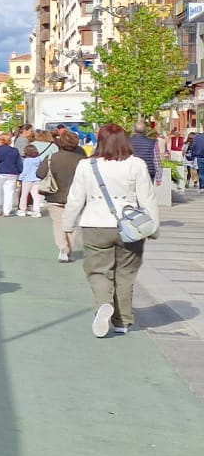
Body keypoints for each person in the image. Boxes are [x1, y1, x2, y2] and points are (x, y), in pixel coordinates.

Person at [64, 125, 160, 337]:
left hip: (95, 223)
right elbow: (148, 199)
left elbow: (75, 198)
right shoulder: (136, 164)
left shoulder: (86, 165)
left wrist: (68, 224)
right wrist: (153, 227)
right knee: (126, 273)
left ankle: (103, 304)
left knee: (98, 270)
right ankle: (122, 320)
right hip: (130, 226)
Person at [42, 127, 87, 262]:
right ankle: (69, 249)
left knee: (58, 223)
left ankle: (62, 247)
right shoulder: (83, 159)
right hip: (77, 195)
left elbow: (40, 173)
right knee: (72, 222)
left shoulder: (52, 158)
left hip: (55, 194)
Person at [0, 132, 23, 216]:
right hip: (12, 173)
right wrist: (19, 171)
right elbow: (19, 163)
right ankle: (6, 211)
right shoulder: (14, 150)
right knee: (9, 193)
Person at [16, 140, 45, 215]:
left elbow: (25, 171)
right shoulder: (39, 159)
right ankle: (36, 211)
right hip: (37, 179)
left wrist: (20, 178)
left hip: (27, 179)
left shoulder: (27, 160)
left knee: (24, 195)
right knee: (36, 195)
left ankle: (22, 209)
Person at [131, 120, 161, 184]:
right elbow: (157, 160)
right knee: (147, 193)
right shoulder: (153, 142)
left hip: (132, 172)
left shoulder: (127, 141)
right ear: (145, 131)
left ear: (134, 130)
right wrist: (158, 177)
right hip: (148, 172)